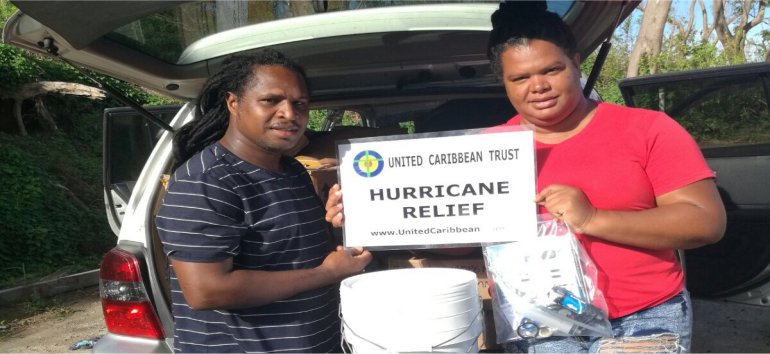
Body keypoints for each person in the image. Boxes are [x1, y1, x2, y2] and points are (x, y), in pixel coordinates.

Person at [327, 2, 726, 353]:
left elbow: (705, 221)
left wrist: (593, 219)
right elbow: (458, 234)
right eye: (519, 78)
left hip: (641, 317)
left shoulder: (648, 129)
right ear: (501, 80)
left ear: (574, 60)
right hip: (537, 323)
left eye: (551, 70)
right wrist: (370, 215)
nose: (538, 87)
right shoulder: (481, 149)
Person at [156, 49, 372, 353]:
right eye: (271, 100)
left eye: (299, 104)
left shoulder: (292, 169)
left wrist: (335, 226)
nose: (289, 113)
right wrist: (327, 273)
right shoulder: (206, 180)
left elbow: (291, 253)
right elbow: (207, 290)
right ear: (233, 103)